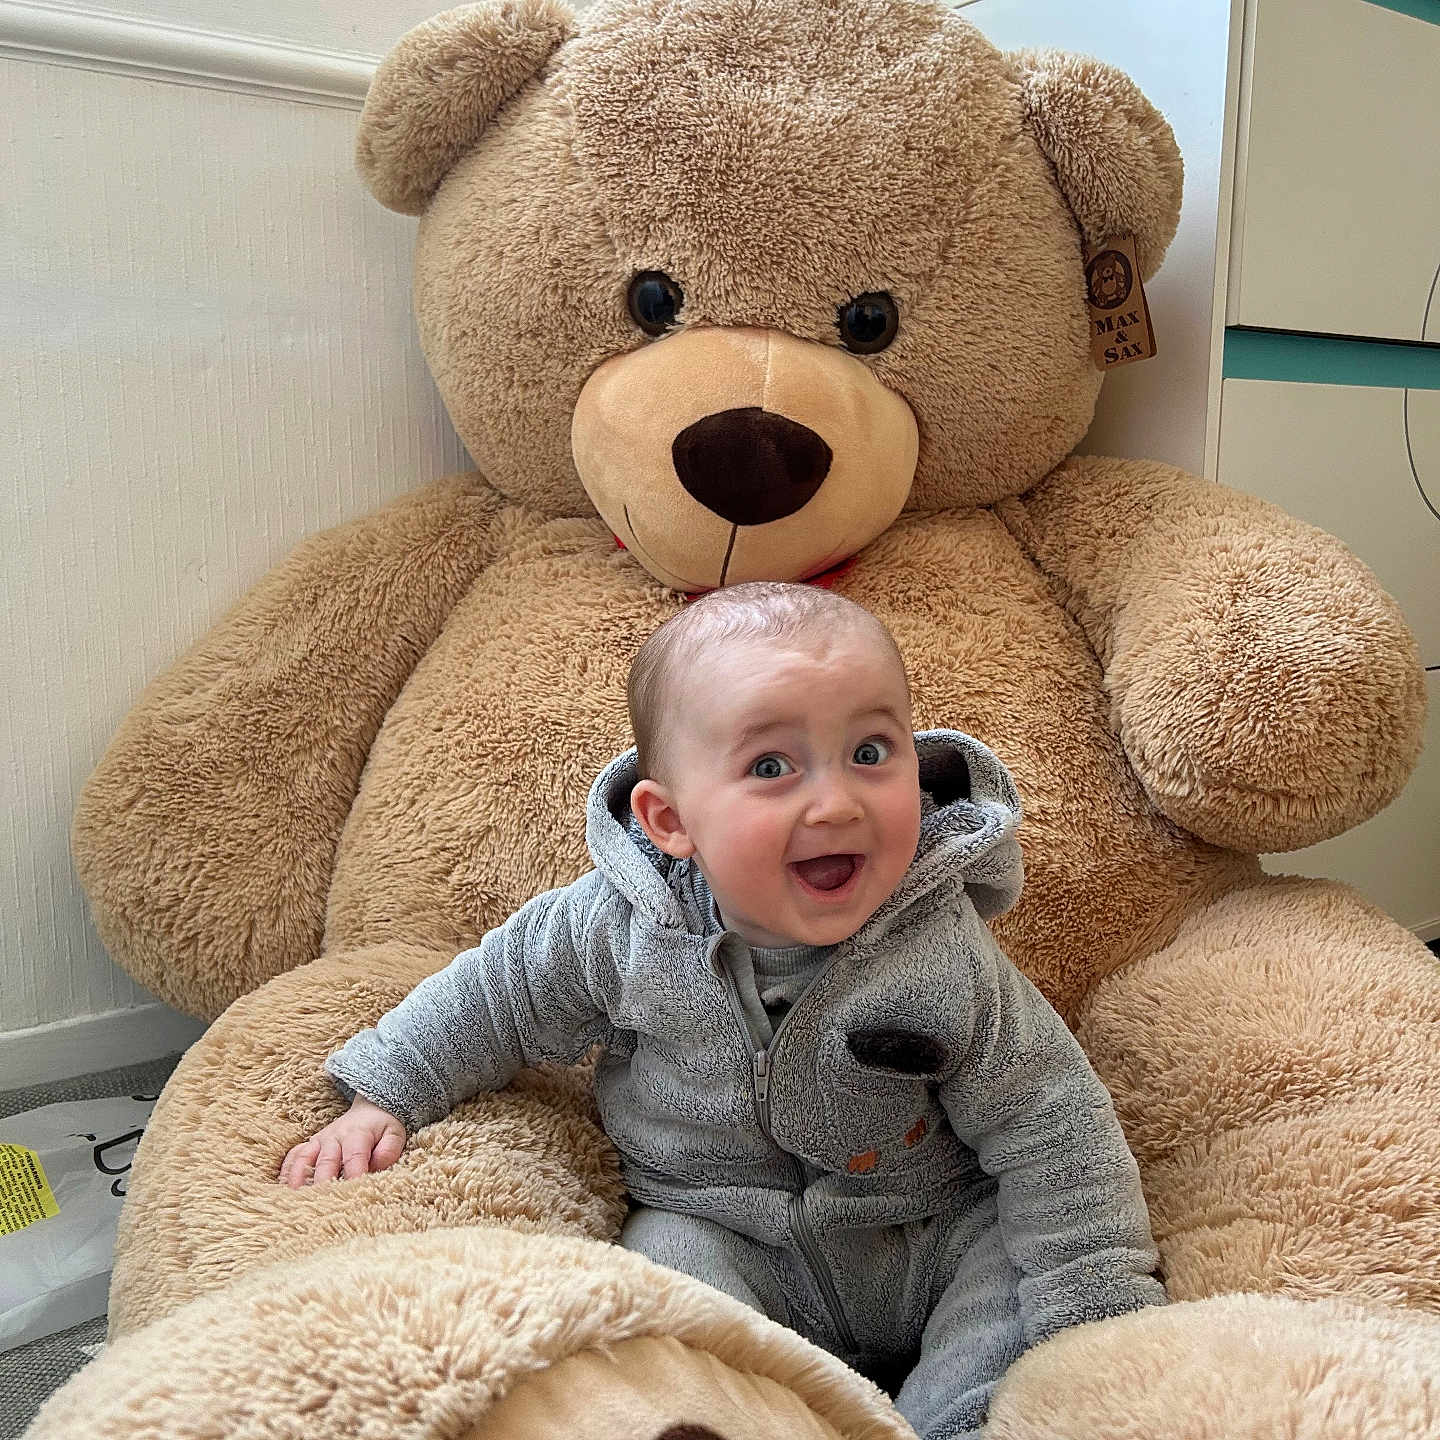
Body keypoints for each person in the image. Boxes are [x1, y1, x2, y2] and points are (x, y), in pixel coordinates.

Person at [278, 581, 1166, 1438]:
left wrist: (1100, 1308)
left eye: (870, 753)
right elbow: (495, 995)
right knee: (660, 1296)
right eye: (771, 767)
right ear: (670, 822)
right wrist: (387, 1093)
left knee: (1012, 1278)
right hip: (722, 1231)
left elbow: (1049, 1116)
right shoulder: (616, 926)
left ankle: (959, 1422)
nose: (837, 802)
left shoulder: (940, 942)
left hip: (927, 1233)